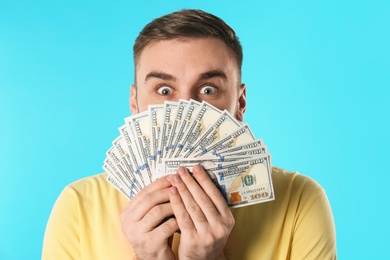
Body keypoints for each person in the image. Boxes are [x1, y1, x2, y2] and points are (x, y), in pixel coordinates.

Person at [42, 9, 337, 259]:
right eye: (164, 90)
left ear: (240, 102)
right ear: (135, 103)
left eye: (208, 90)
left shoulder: (300, 200)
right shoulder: (78, 205)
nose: (186, 108)